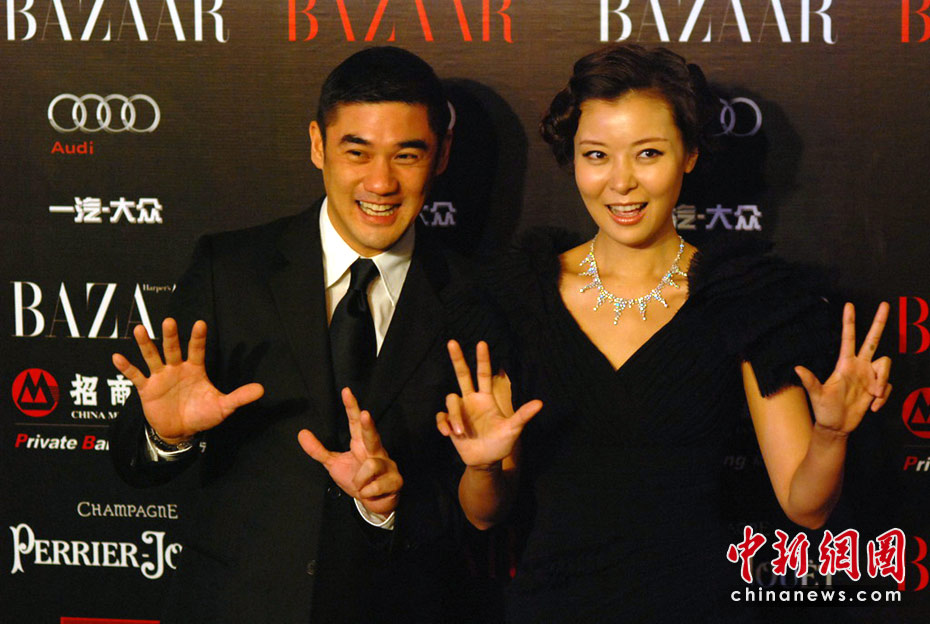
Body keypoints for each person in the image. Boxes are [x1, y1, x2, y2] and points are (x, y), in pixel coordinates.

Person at [436, 44, 892, 621]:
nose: (621, 182)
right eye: (596, 155)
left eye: (648, 153)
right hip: (550, 605)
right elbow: (483, 515)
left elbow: (806, 508)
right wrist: (480, 466)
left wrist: (829, 435)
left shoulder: (740, 296)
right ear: (572, 158)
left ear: (690, 154)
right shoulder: (518, 296)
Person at [109, 46, 499, 623]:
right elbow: (130, 464)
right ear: (318, 144)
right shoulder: (229, 270)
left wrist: (392, 505)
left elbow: (479, 506)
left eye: (407, 155)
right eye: (356, 152)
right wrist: (165, 435)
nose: (381, 182)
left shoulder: (477, 298)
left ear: (440, 156)